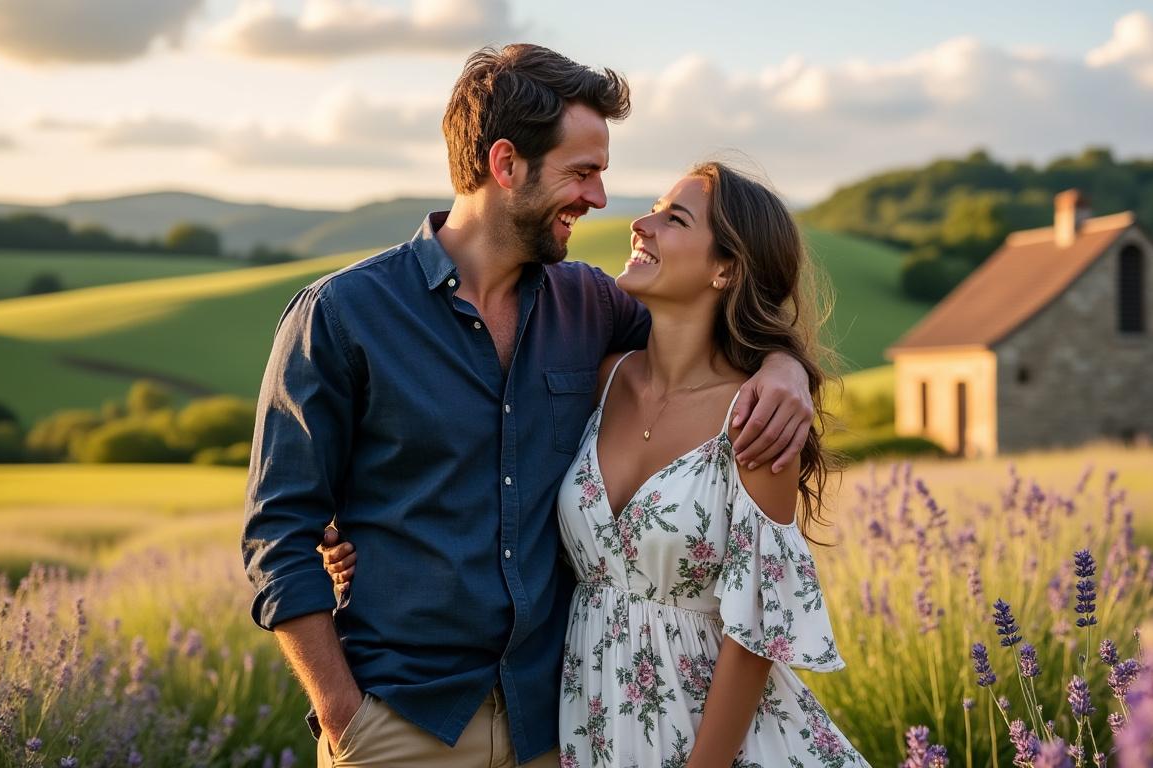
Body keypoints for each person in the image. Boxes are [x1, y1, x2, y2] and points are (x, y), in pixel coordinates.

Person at [241, 44, 814, 768]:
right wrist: (344, 716)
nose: (599, 199)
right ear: (506, 164)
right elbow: (279, 531)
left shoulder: (592, 305)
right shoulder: (342, 316)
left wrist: (786, 367)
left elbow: (716, 335)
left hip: (561, 727)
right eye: (582, 172)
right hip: (401, 723)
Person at [324, 161, 870, 767]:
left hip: (717, 740)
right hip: (591, 727)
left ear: (727, 269)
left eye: (674, 219)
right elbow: (495, 471)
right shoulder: (599, 382)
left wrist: (784, 364)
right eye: (653, 209)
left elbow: (756, 633)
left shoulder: (758, 418)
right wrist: (361, 537)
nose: (641, 224)